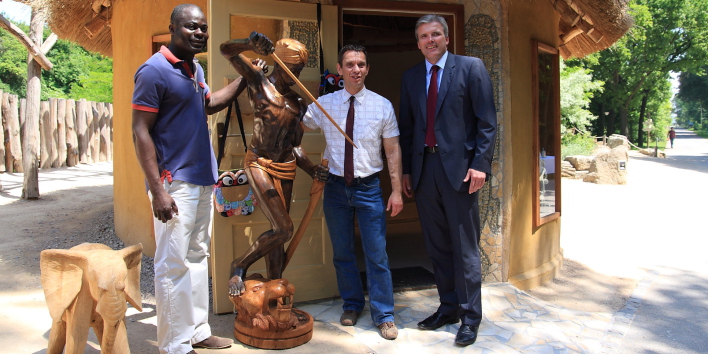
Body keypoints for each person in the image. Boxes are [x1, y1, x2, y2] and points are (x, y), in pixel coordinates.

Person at [132, 4, 246, 353]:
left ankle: (197, 332)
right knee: (172, 264)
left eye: (203, 28)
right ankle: (174, 343)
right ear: (173, 29)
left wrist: (246, 79)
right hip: (173, 183)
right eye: (191, 27)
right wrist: (157, 191)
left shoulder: (195, 69)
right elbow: (139, 131)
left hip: (201, 177)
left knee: (196, 258)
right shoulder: (153, 71)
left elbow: (209, 104)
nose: (199, 33)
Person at [398, 14, 497, 347]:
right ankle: (448, 307)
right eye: (424, 36)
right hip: (425, 172)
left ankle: (470, 318)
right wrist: (408, 172)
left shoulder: (471, 68)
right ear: (418, 42)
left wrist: (480, 164)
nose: (430, 40)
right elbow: (408, 128)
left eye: (436, 34)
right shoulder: (411, 77)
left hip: (461, 172)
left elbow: (487, 122)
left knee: (464, 248)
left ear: (447, 38)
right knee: (437, 246)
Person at [302, 44, 404, 340]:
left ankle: (384, 314)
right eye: (350, 64)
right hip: (335, 187)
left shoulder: (382, 105)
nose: (356, 69)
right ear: (340, 68)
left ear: (367, 69)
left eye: (361, 64)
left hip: (369, 188)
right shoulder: (325, 104)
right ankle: (352, 304)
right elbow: (296, 123)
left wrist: (396, 191)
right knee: (343, 252)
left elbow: (393, 151)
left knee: (377, 253)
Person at [219, 35, 329, 295]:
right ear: (280, 64)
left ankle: (274, 287)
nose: (296, 75)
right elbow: (226, 49)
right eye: (293, 69)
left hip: (286, 167)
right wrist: (248, 43)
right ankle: (239, 265)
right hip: (259, 162)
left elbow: (295, 145)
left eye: (300, 71)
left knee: (277, 235)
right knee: (284, 228)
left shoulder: (298, 103)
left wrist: (312, 169)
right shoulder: (258, 83)